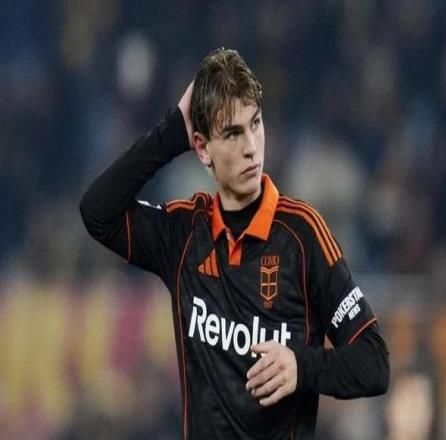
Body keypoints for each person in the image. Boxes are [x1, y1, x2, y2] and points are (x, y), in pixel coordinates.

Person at [80, 48, 389, 439]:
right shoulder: (184, 234)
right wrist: (171, 134)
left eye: (255, 124)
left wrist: (303, 366)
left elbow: (374, 363)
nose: (251, 147)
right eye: (232, 133)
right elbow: (98, 211)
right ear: (202, 148)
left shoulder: (302, 235)